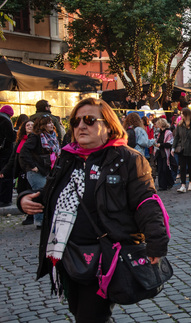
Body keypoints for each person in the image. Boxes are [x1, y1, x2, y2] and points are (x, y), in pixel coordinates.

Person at [17, 97, 169, 322]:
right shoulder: (67, 157)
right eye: (75, 122)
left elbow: (146, 203)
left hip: (104, 257)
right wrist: (23, 200)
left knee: (90, 317)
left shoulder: (127, 159)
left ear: (108, 125)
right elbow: (50, 192)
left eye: (89, 120)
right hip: (67, 255)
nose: (81, 126)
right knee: (81, 312)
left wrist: (156, 243)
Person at [20, 115, 61, 228]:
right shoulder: (36, 137)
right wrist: (33, 166)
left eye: (51, 122)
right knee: (40, 194)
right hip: (36, 172)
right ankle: (40, 221)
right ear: (42, 125)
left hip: (47, 170)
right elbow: (24, 152)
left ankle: (46, 219)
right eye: (48, 123)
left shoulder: (51, 136)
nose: (51, 125)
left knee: (48, 193)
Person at [1, 119, 33, 223]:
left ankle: (31, 216)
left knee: (31, 192)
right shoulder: (20, 141)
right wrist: (4, 170)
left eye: (32, 125)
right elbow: (13, 158)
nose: (29, 127)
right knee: (22, 192)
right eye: (27, 125)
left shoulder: (36, 140)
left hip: (31, 171)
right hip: (21, 171)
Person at [172, 108, 191, 193]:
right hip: (182, 149)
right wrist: (173, 147)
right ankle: (183, 185)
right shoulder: (180, 125)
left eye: (182, 114)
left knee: (190, 167)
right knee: (182, 167)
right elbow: (176, 137)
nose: (181, 115)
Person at [0, 105, 16, 207]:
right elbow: (11, 137)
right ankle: (5, 199)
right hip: (5, 153)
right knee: (5, 174)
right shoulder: (5, 121)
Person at [154, 118, 175, 191]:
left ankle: (169, 182)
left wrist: (160, 145)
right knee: (160, 169)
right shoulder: (159, 132)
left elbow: (170, 143)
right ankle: (162, 185)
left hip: (165, 153)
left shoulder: (168, 132)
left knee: (165, 169)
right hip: (160, 153)